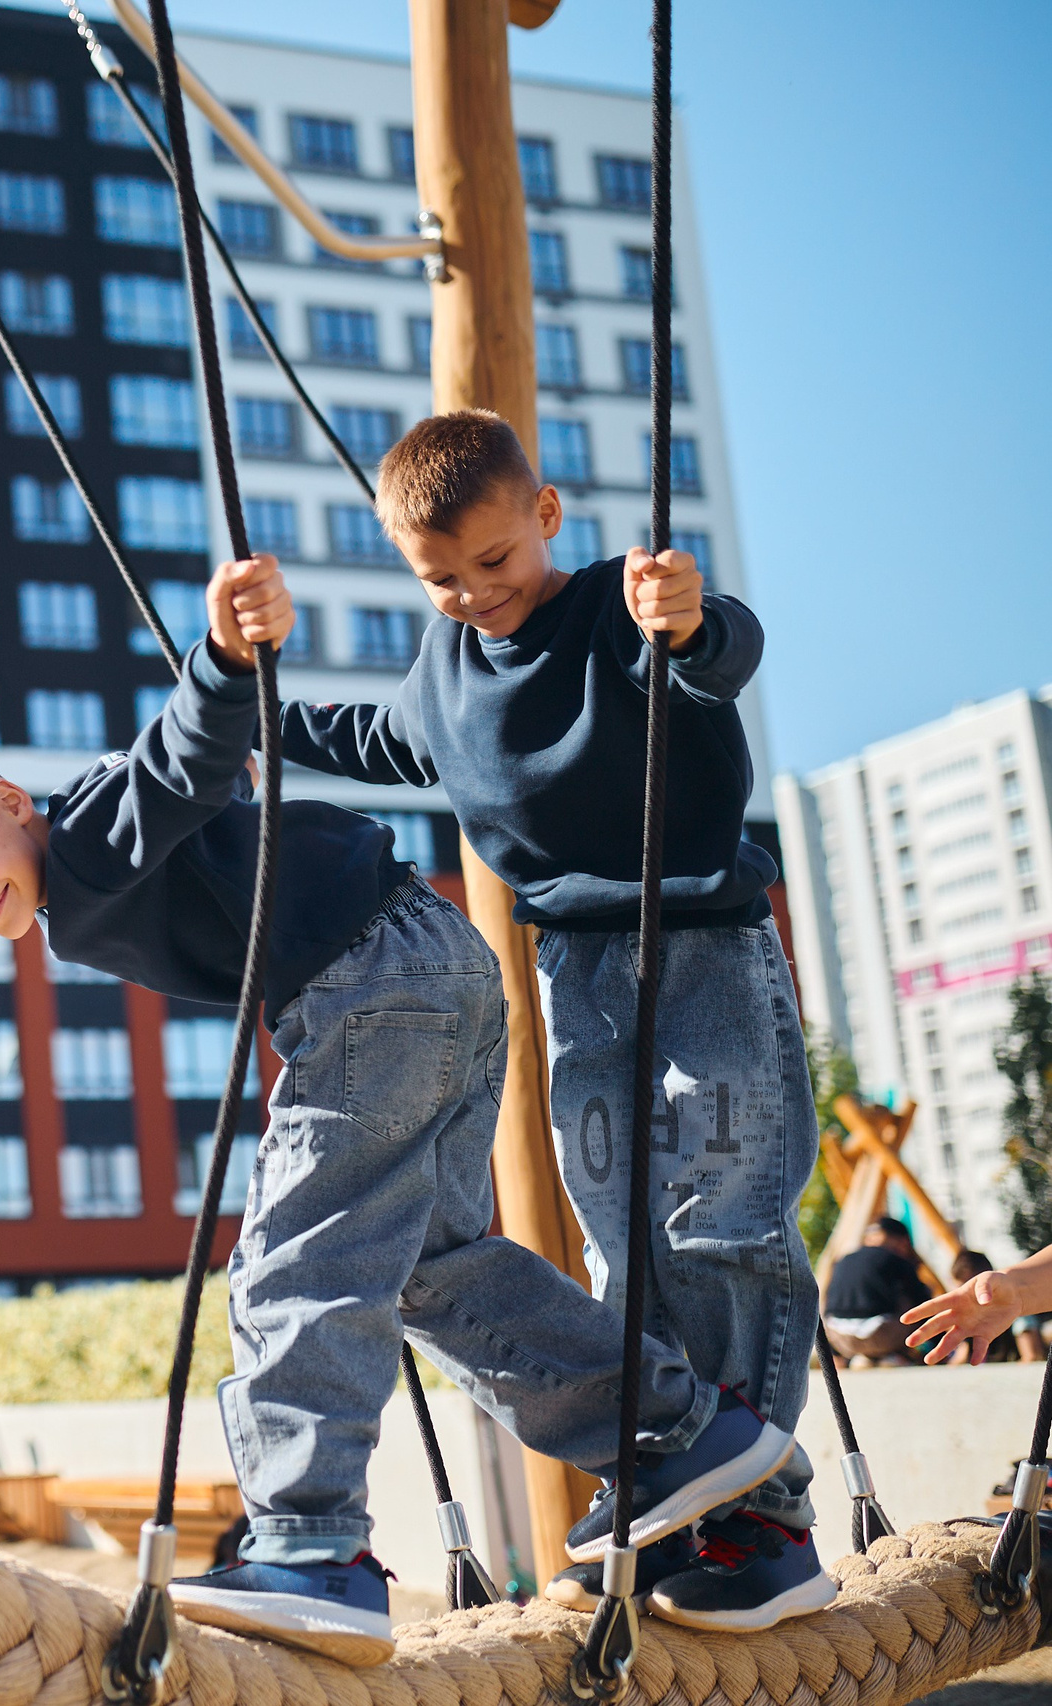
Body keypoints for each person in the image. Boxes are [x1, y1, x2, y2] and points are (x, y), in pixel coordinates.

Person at [0, 557, 784, 1666]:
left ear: (10, 802)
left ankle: (309, 1541)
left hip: (373, 985)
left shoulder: (89, 834)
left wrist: (229, 663)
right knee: (437, 1268)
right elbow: (217, 802)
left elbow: (181, 761)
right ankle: (675, 1429)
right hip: (432, 971)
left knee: (291, 1255)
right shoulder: (77, 889)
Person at [259, 410, 827, 1631]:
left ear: (546, 517)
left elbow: (717, 653)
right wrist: (244, 705)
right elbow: (372, 739)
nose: (472, 594)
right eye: (440, 578)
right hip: (573, 969)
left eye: (494, 562)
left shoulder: (623, 611)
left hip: (699, 942)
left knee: (717, 1212)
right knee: (621, 1233)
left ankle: (769, 1511)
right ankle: (686, 1483)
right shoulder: (445, 672)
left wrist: (689, 615)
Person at [904, 1240, 1052, 1366]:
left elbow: (1032, 1355)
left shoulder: (1018, 1313)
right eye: (960, 1289)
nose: (967, 1296)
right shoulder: (967, 1319)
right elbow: (960, 1360)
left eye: (971, 1287)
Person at [821, 1219, 932, 1365]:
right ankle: (900, 1356)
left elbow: (830, 1301)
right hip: (882, 1335)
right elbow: (922, 1300)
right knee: (915, 1295)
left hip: (839, 1338)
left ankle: (860, 1359)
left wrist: (835, 1354)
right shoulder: (895, 1258)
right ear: (901, 1240)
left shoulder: (843, 1259)